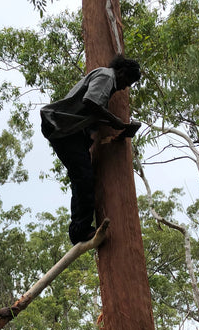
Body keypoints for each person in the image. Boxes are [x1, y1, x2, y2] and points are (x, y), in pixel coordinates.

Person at [40, 54, 141, 245]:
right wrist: (114, 121)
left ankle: (79, 228)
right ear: (121, 72)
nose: (125, 87)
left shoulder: (106, 78)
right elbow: (90, 102)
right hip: (61, 127)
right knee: (84, 177)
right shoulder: (107, 77)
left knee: (81, 177)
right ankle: (80, 230)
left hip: (68, 129)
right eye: (127, 81)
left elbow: (91, 109)